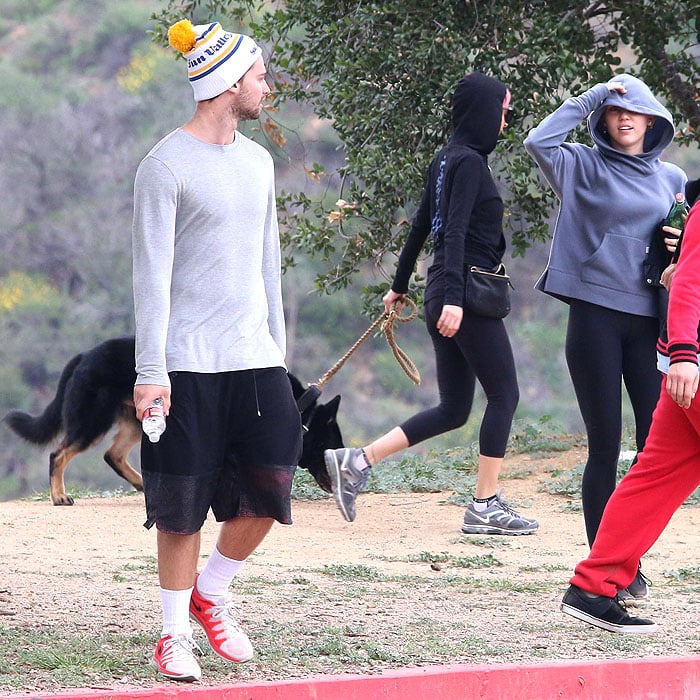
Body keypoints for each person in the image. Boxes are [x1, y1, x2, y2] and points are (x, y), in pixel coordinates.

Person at [131, 19, 302, 682]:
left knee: (272, 485)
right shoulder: (164, 166)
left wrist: (279, 358)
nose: (265, 85)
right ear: (228, 82)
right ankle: (173, 633)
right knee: (180, 502)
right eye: (258, 74)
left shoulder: (258, 163)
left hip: (255, 361)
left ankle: (213, 592)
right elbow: (151, 276)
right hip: (184, 364)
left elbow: (270, 267)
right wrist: (151, 373)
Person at [324, 71, 539, 536]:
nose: (505, 124)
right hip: (463, 295)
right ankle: (485, 504)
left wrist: (399, 285)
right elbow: (454, 229)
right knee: (505, 395)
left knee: (455, 408)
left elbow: (422, 224)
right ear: (483, 111)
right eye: (503, 113)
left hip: (442, 289)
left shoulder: (446, 159)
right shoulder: (469, 164)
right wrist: (456, 301)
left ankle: (357, 461)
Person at [524, 75, 686, 599]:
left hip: (648, 323)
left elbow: (684, 250)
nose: (623, 119)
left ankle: (626, 558)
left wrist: (679, 242)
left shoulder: (672, 178)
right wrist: (594, 95)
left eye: (634, 112)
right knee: (604, 446)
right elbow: (537, 141)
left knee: (650, 446)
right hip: (594, 315)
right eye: (615, 113)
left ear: (652, 121)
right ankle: (605, 568)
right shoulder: (580, 165)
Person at [561, 177, 700, 633]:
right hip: (691, 366)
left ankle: (592, 586)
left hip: (686, 370)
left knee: (653, 480)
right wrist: (683, 354)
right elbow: (688, 284)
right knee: (651, 478)